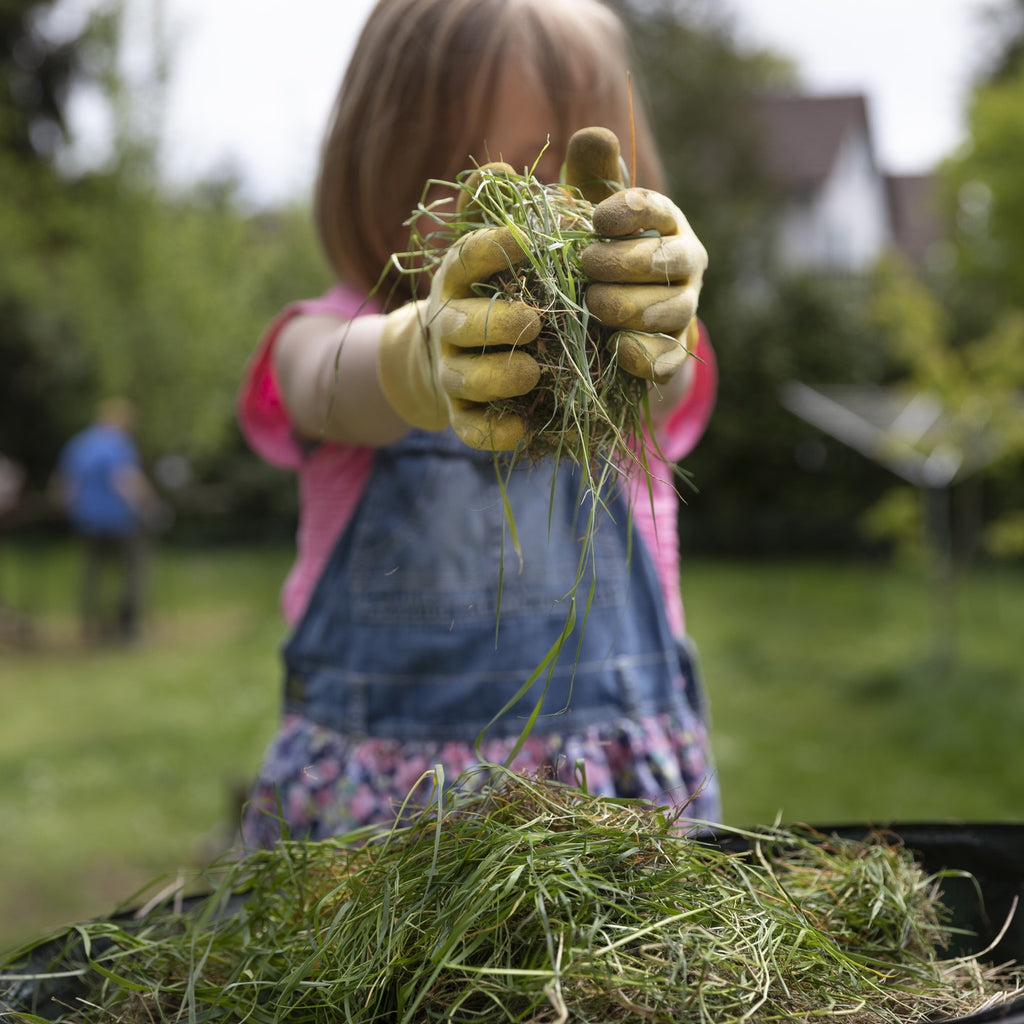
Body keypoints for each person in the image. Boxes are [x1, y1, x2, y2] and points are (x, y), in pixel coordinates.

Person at [238, 0, 720, 847]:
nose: (513, 212)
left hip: (613, 830)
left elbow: (662, 394)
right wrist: (414, 360)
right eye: (467, 169)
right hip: (381, 847)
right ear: (377, 170)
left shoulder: (629, 349)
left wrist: (652, 321)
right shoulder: (330, 335)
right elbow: (321, 381)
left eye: (548, 174)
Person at [54, 397, 156, 644]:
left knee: (93, 573)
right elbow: (125, 480)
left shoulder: (78, 444)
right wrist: (149, 505)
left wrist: (74, 511)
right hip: (119, 519)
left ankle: (91, 626)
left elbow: (63, 487)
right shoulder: (118, 443)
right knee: (133, 569)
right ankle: (126, 626)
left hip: (86, 520)